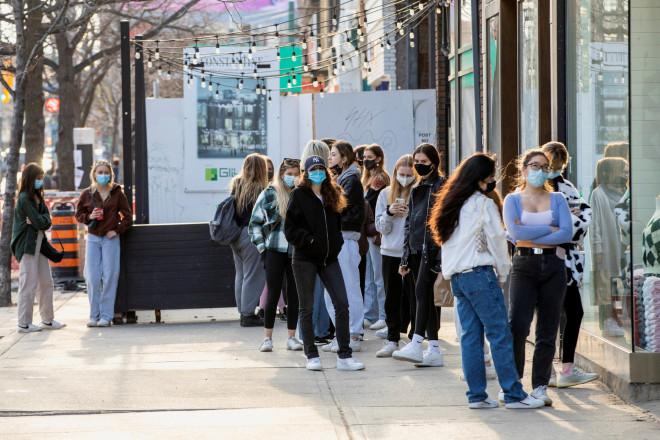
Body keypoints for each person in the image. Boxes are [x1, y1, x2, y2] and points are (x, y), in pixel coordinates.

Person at [428, 153, 544, 409]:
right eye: (492, 174)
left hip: (458, 277)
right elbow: (498, 241)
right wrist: (503, 274)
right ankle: (514, 394)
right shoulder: (483, 204)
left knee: (471, 337)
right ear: (481, 178)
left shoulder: (451, 203)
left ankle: (477, 395)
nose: (494, 179)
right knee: (499, 334)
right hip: (480, 274)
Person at [503, 148, 573, 406]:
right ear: (523, 169)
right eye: (534, 165)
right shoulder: (512, 199)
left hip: (554, 264)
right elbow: (514, 232)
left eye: (544, 166)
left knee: (548, 328)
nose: (539, 170)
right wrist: (548, 229)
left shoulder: (557, 199)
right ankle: (513, 384)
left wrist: (528, 232)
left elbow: (566, 233)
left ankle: (540, 385)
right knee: (518, 326)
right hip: (524, 263)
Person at [284, 154, 365, 371]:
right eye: (313, 169)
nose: (317, 173)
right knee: (307, 307)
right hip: (305, 258)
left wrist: (336, 244)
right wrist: (309, 240)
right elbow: (290, 229)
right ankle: (312, 355)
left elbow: (337, 224)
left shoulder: (333, 193)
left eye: (321, 168)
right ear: (306, 173)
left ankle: (345, 356)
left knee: (342, 302)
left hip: (329, 258)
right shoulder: (299, 195)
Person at [541, 142, 599, 387]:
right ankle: (554, 371)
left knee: (571, 312)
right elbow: (531, 224)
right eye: (551, 164)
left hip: (567, 261)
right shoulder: (535, 188)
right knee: (551, 316)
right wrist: (564, 221)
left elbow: (583, 216)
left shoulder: (566, 186)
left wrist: (566, 224)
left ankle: (564, 368)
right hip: (543, 259)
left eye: (558, 165)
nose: (554, 169)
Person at [393, 143, 446, 367]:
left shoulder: (441, 186)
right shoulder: (418, 187)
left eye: (423, 162)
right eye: (417, 161)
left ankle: (417, 342)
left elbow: (442, 223)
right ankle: (433, 348)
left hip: (431, 249)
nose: (419, 165)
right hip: (416, 248)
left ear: (434, 162)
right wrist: (405, 255)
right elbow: (409, 224)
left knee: (423, 294)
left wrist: (438, 253)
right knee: (423, 296)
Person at [249, 158, 303, 352]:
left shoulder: (302, 194)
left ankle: (292, 337)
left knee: (294, 294)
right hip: (273, 250)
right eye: (289, 174)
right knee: (273, 293)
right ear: (282, 174)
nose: (293, 177)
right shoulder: (270, 193)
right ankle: (267, 338)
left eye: (297, 174)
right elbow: (254, 222)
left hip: (296, 251)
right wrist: (261, 247)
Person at [76, 159, 133, 327]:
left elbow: (128, 217)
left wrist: (117, 230)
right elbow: (78, 214)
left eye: (105, 172)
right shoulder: (87, 193)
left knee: (109, 276)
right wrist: (89, 217)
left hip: (110, 239)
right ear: (94, 174)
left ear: (110, 174)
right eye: (99, 173)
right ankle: (94, 315)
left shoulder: (117, 193)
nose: (102, 175)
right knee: (92, 277)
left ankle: (106, 316)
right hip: (93, 238)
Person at [12, 163, 66, 333]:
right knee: (28, 283)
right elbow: (39, 221)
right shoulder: (24, 199)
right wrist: (40, 221)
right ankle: (24, 323)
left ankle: (47, 320)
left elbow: (46, 221)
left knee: (46, 282)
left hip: (39, 244)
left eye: (41, 178)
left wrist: (40, 221)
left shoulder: (38, 198)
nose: (40, 181)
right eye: (38, 178)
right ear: (29, 178)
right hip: (27, 245)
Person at [322, 140, 365, 352]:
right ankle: (343, 334)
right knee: (331, 292)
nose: (330, 158)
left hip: (346, 239)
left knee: (349, 287)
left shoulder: (351, 180)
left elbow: (340, 208)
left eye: (333, 154)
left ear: (344, 158)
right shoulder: (344, 179)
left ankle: (353, 334)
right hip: (336, 240)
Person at [374, 154, 417, 356]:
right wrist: (390, 213)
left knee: (412, 296)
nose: (405, 178)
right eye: (401, 174)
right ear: (395, 173)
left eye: (409, 175)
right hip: (390, 250)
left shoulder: (418, 193)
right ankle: (392, 338)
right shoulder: (385, 194)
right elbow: (380, 227)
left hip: (411, 250)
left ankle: (414, 337)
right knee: (391, 295)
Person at [590, 157, 629, 337]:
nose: (625, 174)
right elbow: (595, 222)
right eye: (622, 170)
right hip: (608, 245)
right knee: (607, 283)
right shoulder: (598, 193)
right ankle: (608, 319)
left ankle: (620, 317)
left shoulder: (626, 191)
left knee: (620, 282)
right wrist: (597, 247)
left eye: (627, 171)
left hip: (623, 245)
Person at [229, 153, 269, 327]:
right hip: (252, 235)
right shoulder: (261, 188)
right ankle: (247, 315)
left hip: (235, 234)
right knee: (253, 275)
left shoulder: (237, 184)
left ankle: (242, 311)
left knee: (241, 274)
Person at [301, 140, 333, 344]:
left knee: (310, 293)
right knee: (318, 292)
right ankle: (317, 332)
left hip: (309, 246)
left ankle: (315, 331)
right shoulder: (322, 186)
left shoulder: (301, 184)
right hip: (316, 246)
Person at [362, 144, 390, 331]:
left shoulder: (380, 178)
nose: (365, 159)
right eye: (364, 156)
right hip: (369, 231)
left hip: (376, 233)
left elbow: (368, 201)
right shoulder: (368, 177)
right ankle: (370, 314)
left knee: (378, 277)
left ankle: (383, 315)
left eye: (370, 156)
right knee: (370, 277)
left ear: (379, 158)